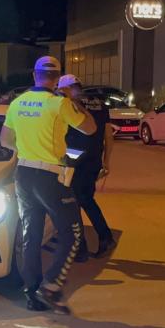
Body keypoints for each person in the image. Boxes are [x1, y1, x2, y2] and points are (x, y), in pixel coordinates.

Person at [0, 56, 96, 313]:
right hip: (50, 177)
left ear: (34, 75)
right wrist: (72, 100)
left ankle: (31, 294)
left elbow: (5, 140)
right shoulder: (59, 103)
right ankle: (51, 285)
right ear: (57, 79)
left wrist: (29, 147)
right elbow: (90, 128)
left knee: (30, 236)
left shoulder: (17, 103)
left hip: (23, 174)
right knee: (73, 234)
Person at [58, 75, 117, 261]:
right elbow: (109, 135)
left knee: (72, 203)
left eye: (62, 90)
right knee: (86, 200)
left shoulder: (68, 104)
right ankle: (103, 237)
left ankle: (81, 247)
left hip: (74, 162)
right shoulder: (99, 103)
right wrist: (106, 161)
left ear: (67, 88)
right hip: (93, 161)